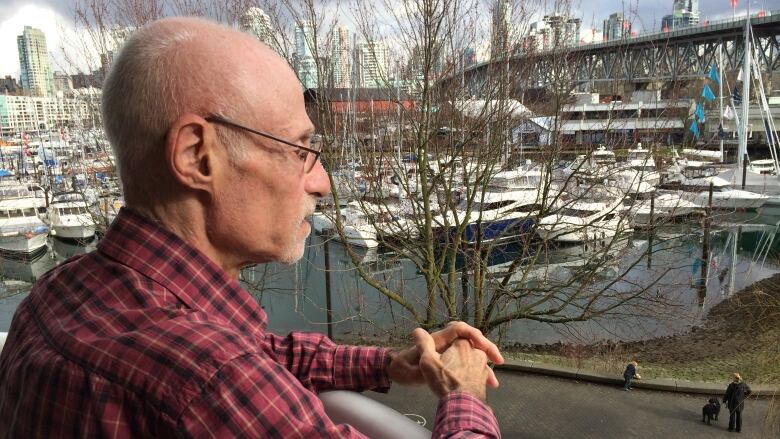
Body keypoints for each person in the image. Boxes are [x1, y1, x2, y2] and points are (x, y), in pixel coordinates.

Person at [0, 17, 503, 438]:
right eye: (301, 150)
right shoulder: (210, 381)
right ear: (198, 156)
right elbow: (227, 366)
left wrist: (386, 363)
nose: (322, 183)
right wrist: (465, 395)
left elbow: (255, 349)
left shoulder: (57, 295)